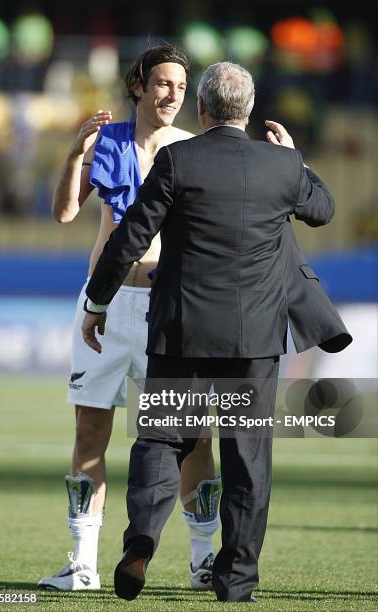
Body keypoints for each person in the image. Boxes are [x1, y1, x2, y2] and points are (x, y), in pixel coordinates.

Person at [81, 62, 351, 603]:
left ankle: (140, 544)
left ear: (201, 110)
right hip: (256, 337)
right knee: (248, 458)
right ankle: (236, 581)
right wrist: (295, 156)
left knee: (161, 440)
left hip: (181, 328)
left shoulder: (178, 158)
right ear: (247, 112)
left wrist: (97, 300)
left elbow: (130, 237)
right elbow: (322, 210)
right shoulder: (283, 165)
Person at [38, 44, 220, 593]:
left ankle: (202, 560)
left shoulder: (193, 149)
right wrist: (74, 157)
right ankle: (83, 563)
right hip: (106, 306)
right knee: (90, 431)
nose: (173, 96)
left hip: (170, 310)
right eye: (163, 84)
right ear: (138, 84)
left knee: (193, 437)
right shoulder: (109, 140)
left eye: (182, 88)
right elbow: (66, 213)